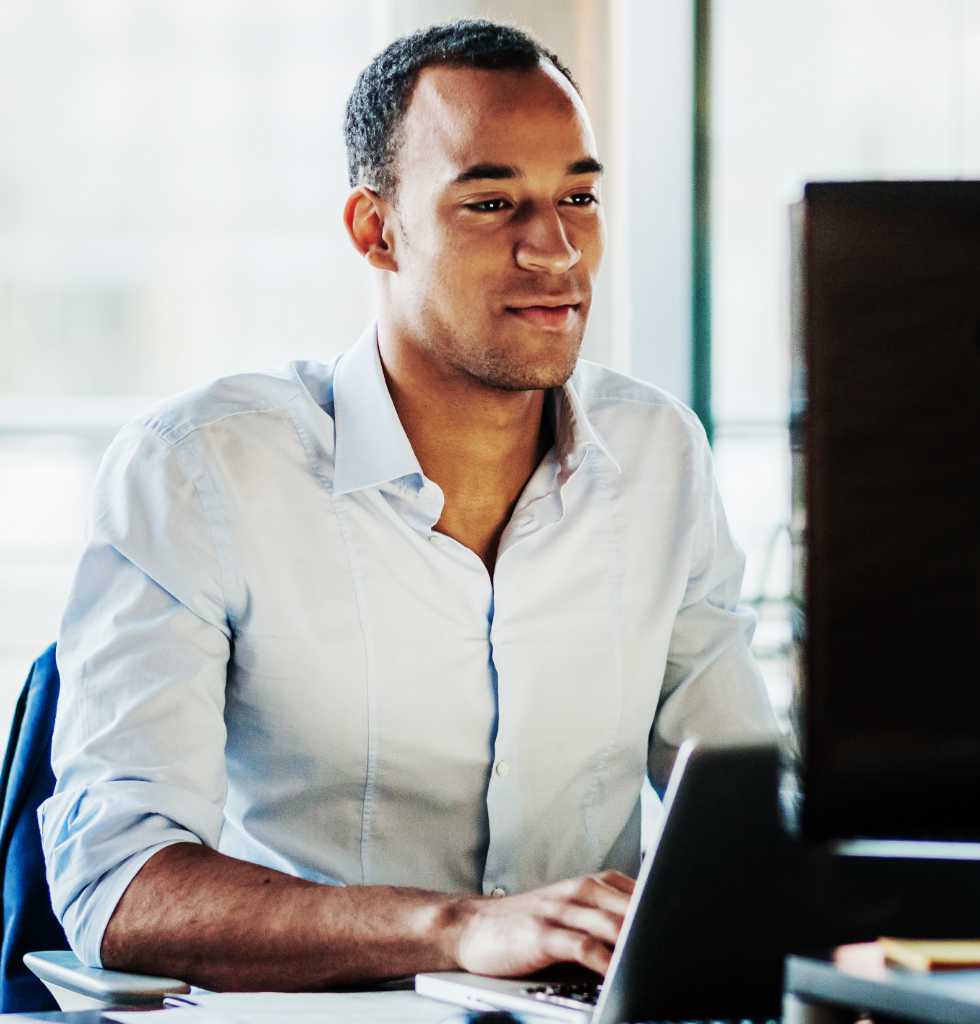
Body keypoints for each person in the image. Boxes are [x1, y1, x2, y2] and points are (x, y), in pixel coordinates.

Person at [39, 19, 777, 992]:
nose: (555, 248)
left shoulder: (657, 454)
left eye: (580, 197)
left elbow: (747, 809)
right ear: (376, 229)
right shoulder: (200, 470)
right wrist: (460, 929)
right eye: (490, 202)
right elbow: (120, 889)